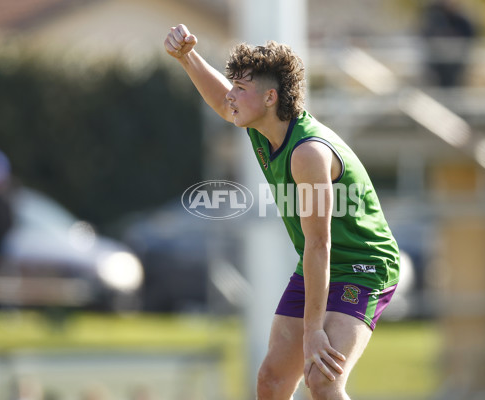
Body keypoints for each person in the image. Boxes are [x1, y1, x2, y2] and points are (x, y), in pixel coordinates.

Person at [164, 24, 400, 400]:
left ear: (271, 97)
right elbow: (222, 102)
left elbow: (320, 243)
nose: (232, 97)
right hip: (321, 263)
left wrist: (313, 332)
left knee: (322, 381)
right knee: (272, 381)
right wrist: (187, 57)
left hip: (362, 266)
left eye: (241, 89)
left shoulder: (307, 153)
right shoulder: (263, 126)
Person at [419, 0, 479, 87]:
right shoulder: (434, 17)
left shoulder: (462, 20)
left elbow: (471, 36)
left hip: (456, 65)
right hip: (437, 65)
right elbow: (427, 35)